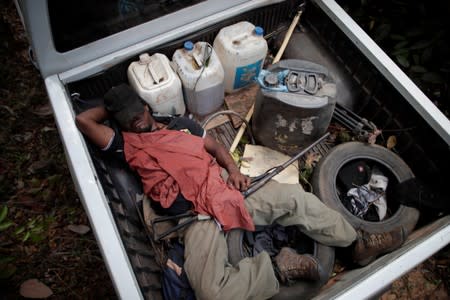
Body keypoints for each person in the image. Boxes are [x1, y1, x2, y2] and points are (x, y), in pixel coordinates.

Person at [76, 83, 406, 300]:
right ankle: (279, 267)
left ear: (147, 105)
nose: (136, 121)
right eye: (126, 118)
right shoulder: (123, 143)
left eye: (138, 112)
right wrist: (113, 106)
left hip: (222, 188)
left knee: (292, 197)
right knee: (210, 293)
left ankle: (355, 242)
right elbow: (83, 120)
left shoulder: (181, 126)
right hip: (191, 219)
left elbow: (216, 149)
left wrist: (234, 171)